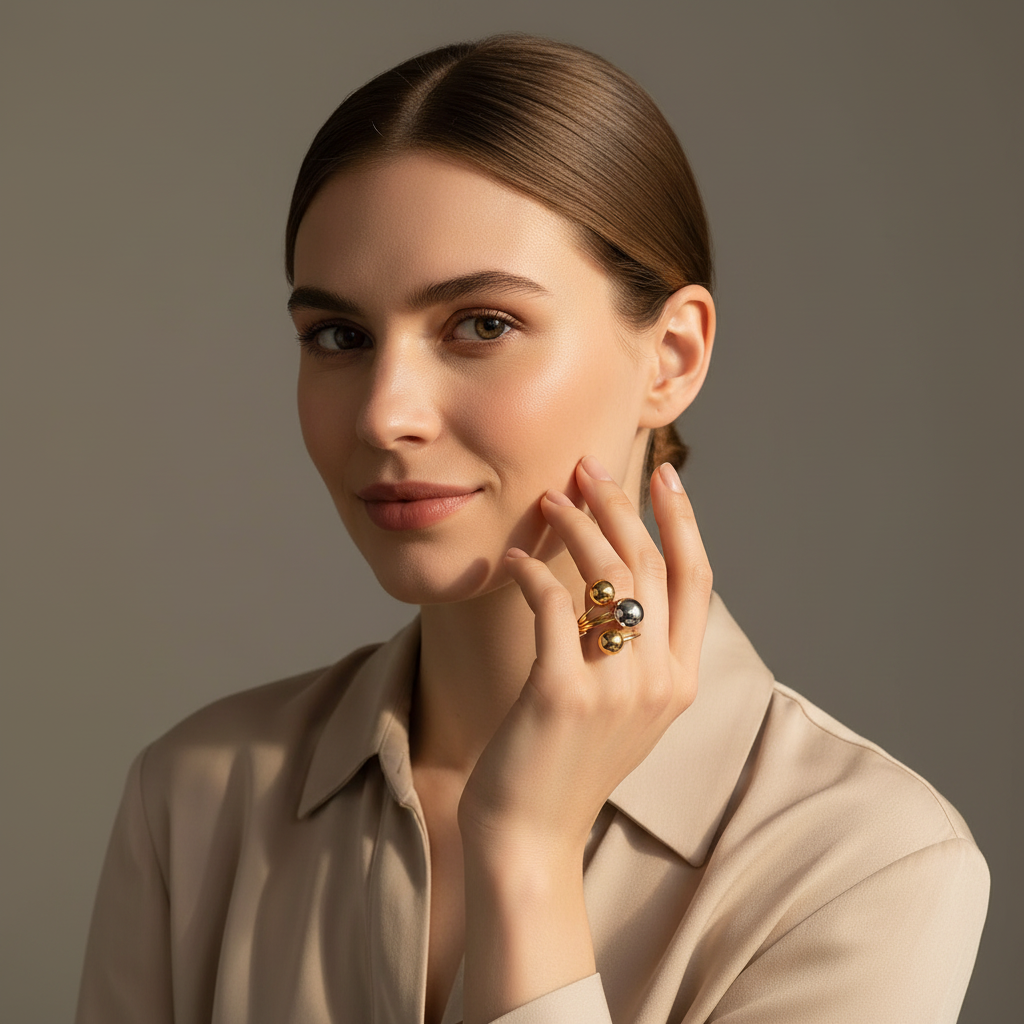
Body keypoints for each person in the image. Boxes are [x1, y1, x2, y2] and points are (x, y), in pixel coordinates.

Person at [75, 34, 989, 1024]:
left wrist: (524, 851)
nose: (386, 413)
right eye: (339, 336)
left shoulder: (862, 858)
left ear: (670, 357)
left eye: (482, 324)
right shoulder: (196, 798)